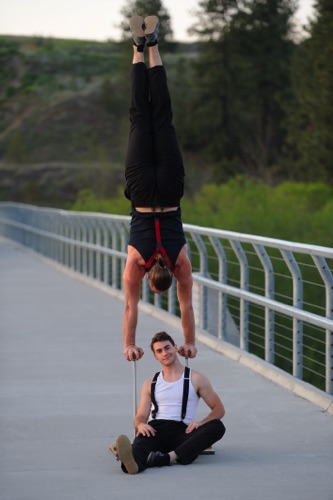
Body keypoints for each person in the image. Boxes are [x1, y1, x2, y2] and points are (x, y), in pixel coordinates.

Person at [122, 15, 197, 363]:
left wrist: (189, 342)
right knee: (140, 116)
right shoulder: (135, 265)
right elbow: (129, 308)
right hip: (140, 193)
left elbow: (185, 305)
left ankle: (152, 44)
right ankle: (137, 49)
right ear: (151, 279)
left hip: (168, 191)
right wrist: (129, 345)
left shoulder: (181, 264)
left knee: (162, 115)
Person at [111, 331, 226, 474]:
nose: (165, 353)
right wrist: (140, 425)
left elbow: (219, 409)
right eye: (159, 351)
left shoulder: (196, 378)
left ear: (175, 348)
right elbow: (140, 416)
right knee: (140, 444)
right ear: (155, 356)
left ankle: (168, 458)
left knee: (217, 426)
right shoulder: (150, 382)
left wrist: (201, 423)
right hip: (155, 431)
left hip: (183, 432)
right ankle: (132, 464)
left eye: (167, 348)